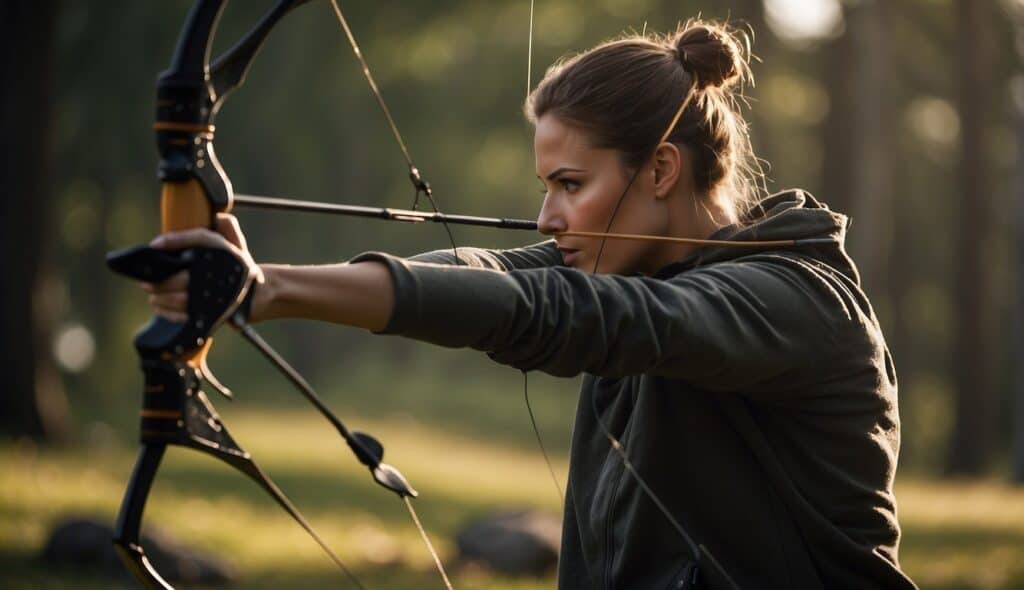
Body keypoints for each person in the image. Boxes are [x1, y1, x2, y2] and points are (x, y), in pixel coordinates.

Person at [144, 19, 917, 590]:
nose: (548, 218)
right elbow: (488, 272)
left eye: (570, 186)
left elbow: (560, 313)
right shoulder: (639, 275)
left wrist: (260, 292)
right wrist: (261, 281)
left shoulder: (795, 302)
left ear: (660, 171)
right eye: (547, 187)